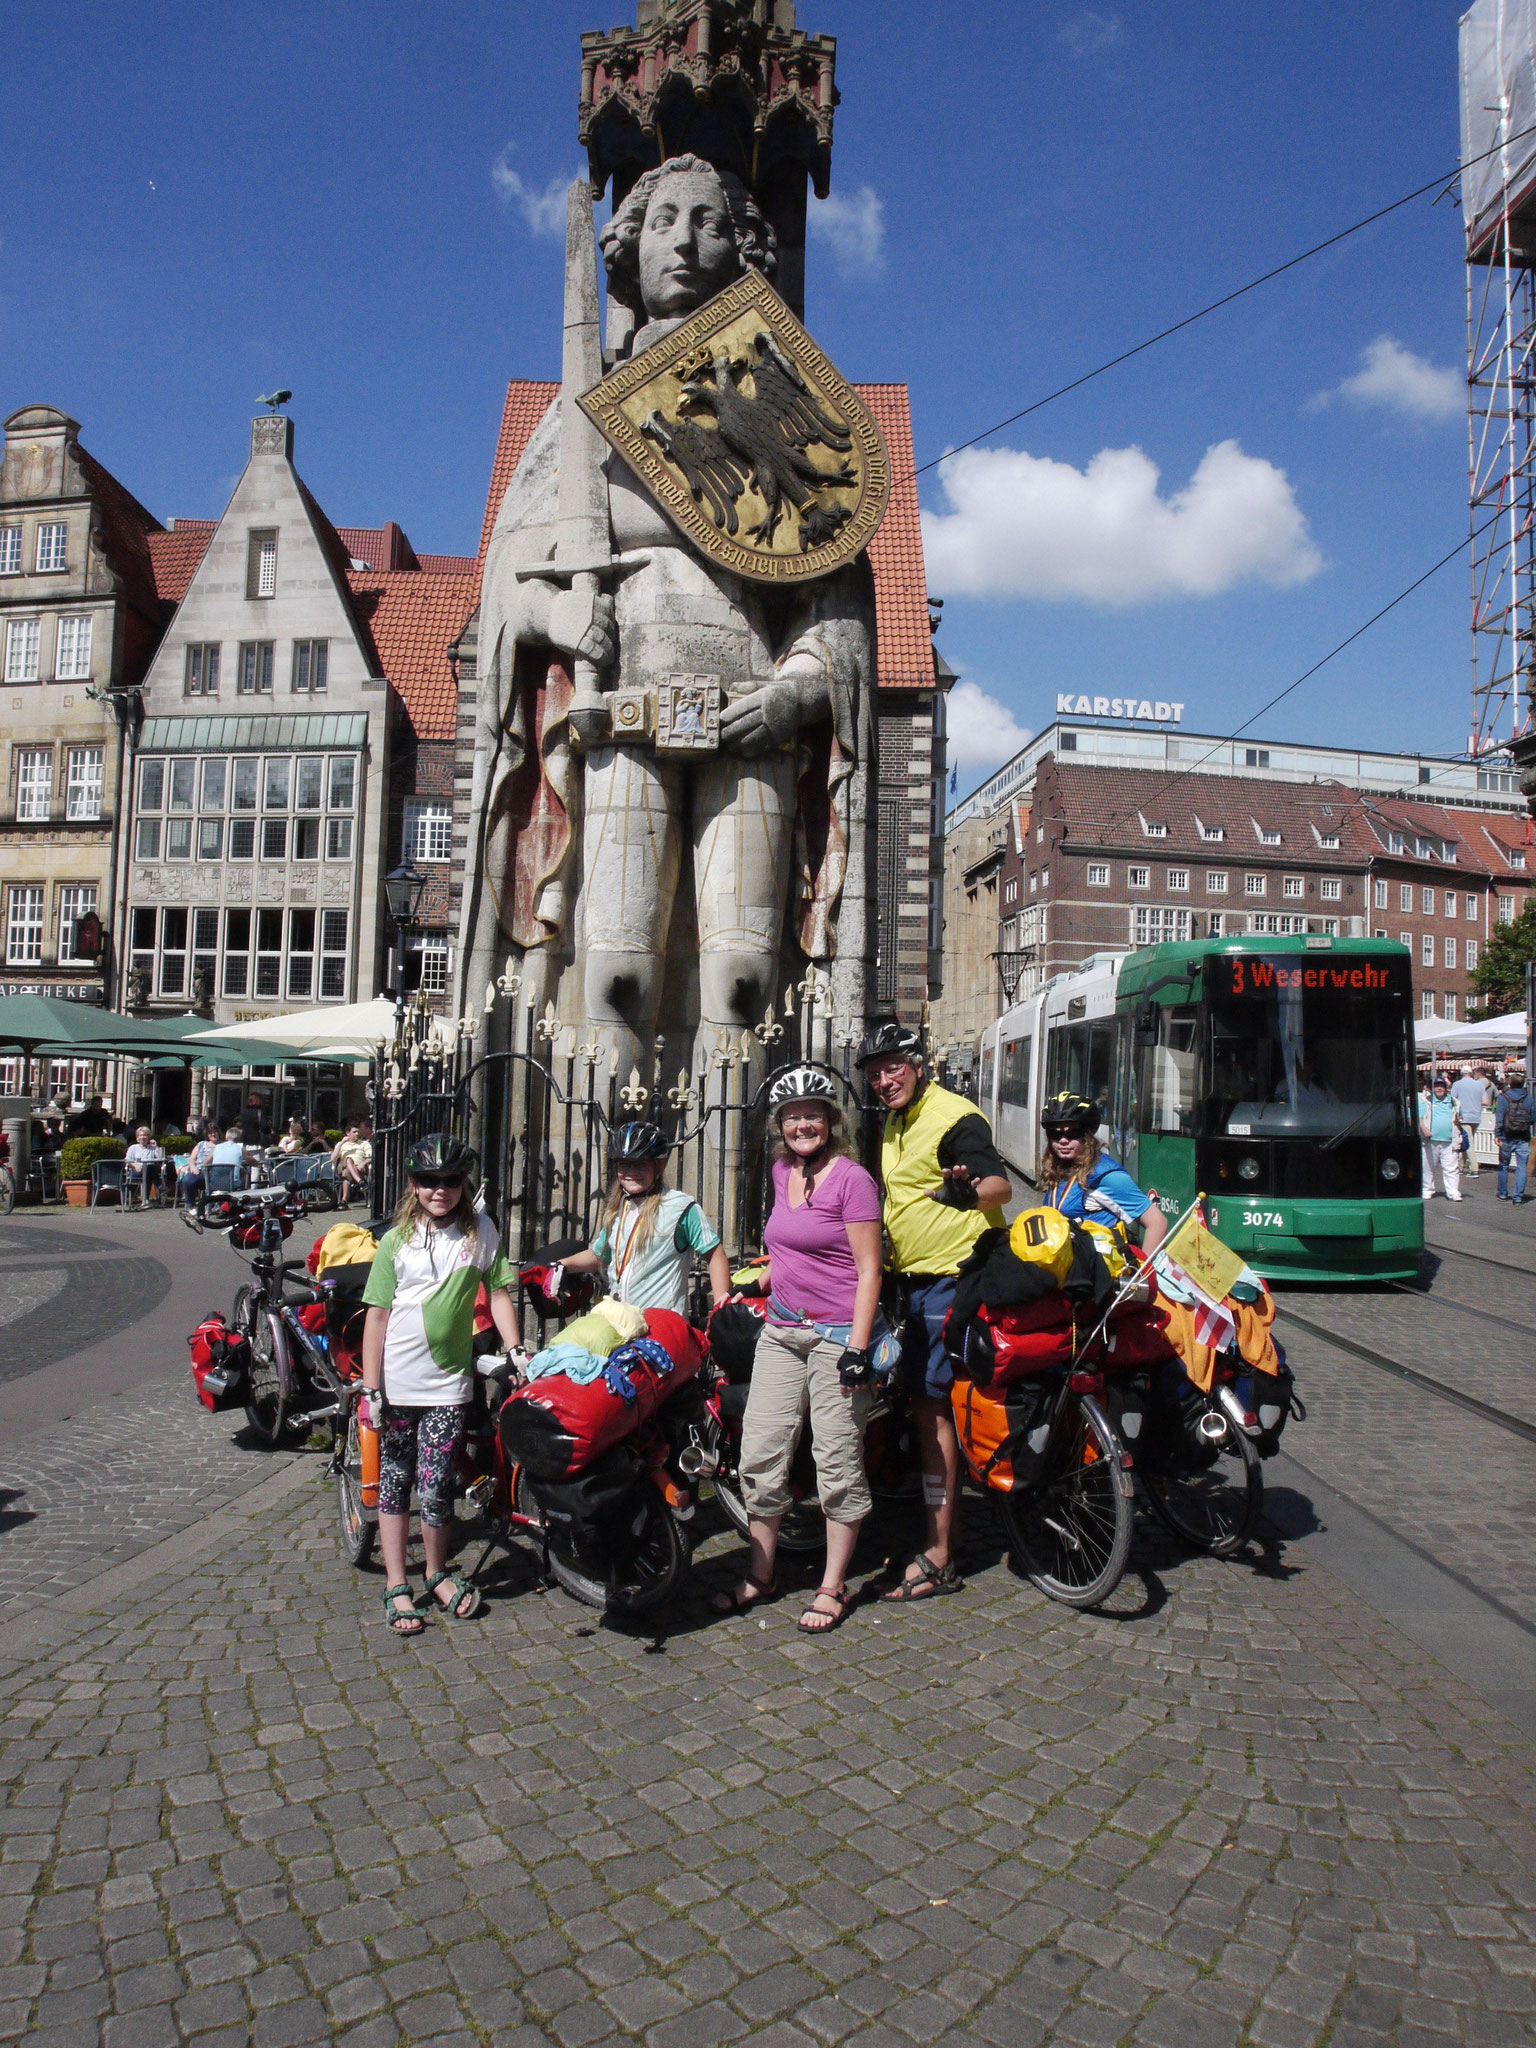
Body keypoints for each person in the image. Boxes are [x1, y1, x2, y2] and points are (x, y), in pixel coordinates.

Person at [714, 1068, 883, 1635]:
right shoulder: (783, 1170)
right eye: (792, 1116)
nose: (802, 1124)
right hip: (782, 1333)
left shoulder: (851, 1179)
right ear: (779, 1126)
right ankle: (761, 1575)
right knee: (760, 1454)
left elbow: (867, 1270)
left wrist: (858, 1348)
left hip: (837, 1336)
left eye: (813, 1113)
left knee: (835, 1462)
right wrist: (760, 1282)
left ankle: (832, 1585)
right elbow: (788, 1248)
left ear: (831, 1120)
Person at [860, 1021, 1012, 1605]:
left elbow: (998, 1184)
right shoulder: (895, 1120)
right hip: (911, 1280)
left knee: (932, 1409)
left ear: (918, 1065)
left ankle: (942, 1552)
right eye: (874, 1073)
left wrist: (966, 1194)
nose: (883, 1080)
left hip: (953, 1278)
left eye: (893, 1067)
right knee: (916, 1403)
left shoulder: (955, 1116)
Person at [360, 1135, 520, 1635]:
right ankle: (395, 1582)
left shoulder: (482, 1232)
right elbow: (377, 1316)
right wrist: (370, 1389)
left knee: (435, 1486)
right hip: (398, 1382)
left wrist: (516, 1349)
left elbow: (497, 1293)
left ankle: (434, 1572)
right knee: (395, 1482)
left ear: (463, 1185)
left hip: (448, 1382)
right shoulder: (395, 1239)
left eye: (450, 1181)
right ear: (413, 1185)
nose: (439, 1190)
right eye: (429, 1181)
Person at [564, 1122, 729, 1314]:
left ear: (657, 1166)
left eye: (640, 1165)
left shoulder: (681, 1207)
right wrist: (561, 1266)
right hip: (619, 1321)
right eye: (624, 1164)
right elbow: (599, 1255)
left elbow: (715, 1255)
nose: (631, 1173)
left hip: (661, 1326)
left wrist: (720, 1312)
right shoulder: (618, 1208)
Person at [1037, 1091, 1169, 1255]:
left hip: (1098, 1272)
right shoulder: (1061, 1168)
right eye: (1055, 1134)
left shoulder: (1106, 1175)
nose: (1063, 1140)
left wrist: (1142, 1274)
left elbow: (1157, 1222)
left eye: (1072, 1133)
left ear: (1088, 1136)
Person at [1418, 1073, 1463, 1202]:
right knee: (1428, 1167)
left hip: (1450, 1140)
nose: (1439, 1089)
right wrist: (1425, 1129)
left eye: (1441, 1086)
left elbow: (1460, 1118)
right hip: (1430, 1140)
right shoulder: (1426, 1101)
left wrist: (1459, 1121)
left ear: (1446, 1088)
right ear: (1433, 1088)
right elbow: (1419, 1118)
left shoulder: (1454, 1102)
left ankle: (1453, 1192)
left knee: (1451, 1168)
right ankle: (1427, 1190)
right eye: (1437, 1086)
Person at [1496, 1062, 1533, 1204]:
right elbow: (1533, 1118)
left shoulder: (1503, 1098)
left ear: (1510, 1083)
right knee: (1522, 1166)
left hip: (1506, 1136)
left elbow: (1499, 1118)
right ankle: (1518, 1197)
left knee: (1504, 1165)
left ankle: (1503, 1193)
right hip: (1523, 1136)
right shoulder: (1529, 1099)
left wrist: (1498, 1135)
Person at [1450, 1064, 1487, 1177]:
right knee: (1467, 1140)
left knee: (1468, 1142)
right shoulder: (1479, 1085)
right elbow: (1486, 1102)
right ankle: (1461, 1166)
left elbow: (1452, 1099)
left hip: (1463, 1116)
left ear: (1461, 1073)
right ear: (1471, 1073)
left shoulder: (1457, 1084)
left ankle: (1474, 1169)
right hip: (1476, 1116)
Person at [332, 1120, 373, 1207]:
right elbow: (333, 1159)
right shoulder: (341, 1144)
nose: (357, 1134)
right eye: (354, 1132)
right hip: (342, 1167)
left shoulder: (364, 1143)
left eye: (358, 1132)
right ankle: (361, 1182)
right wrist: (342, 1142)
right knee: (348, 1159)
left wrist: (363, 1163)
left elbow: (371, 1156)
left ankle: (344, 1201)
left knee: (346, 1173)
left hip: (359, 1169)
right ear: (348, 1133)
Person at [179, 1122, 219, 1208]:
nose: (213, 1134)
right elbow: (192, 1158)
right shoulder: (201, 1144)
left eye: (215, 1132)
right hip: (200, 1171)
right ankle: (190, 1205)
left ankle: (212, 1205)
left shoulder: (222, 1145)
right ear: (207, 1134)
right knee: (188, 1179)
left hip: (215, 1173)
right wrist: (192, 1166)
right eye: (210, 1132)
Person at [123, 1125, 166, 1206]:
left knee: (148, 1170)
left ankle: (145, 1199)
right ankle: (159, 1186)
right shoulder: (133, 1148)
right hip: (136, 1171)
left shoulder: (152, 1148)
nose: (142, 1137)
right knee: (149, 1169)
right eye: (140, 1135)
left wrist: (156, 1147)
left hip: (149, 1172)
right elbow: (127, 1160)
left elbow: (160, 1159)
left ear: (148, 1137)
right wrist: (135, 1165)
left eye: (145, 1135)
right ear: (137, 1137)